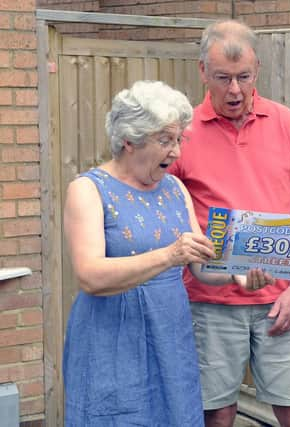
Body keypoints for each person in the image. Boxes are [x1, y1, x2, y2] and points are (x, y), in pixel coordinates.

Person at [62, 80, 273, 426]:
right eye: (164, 141)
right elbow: (90, 277)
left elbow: (202, 266)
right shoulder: (88, 190)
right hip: (111, 338)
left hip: (170, 334)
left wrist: (237, 276)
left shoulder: (174, 188)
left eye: (178, 140)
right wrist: (168, 255)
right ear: (130, 140)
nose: (176, 152)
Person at [168, 20, 290, 427]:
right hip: (209, 305)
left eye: (244, 77)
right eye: (223, 78)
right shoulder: (181, 135)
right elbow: (169, 218)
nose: (235, 90)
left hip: (283, 298)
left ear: (257, 69)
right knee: (215, 417)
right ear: (202, 71)